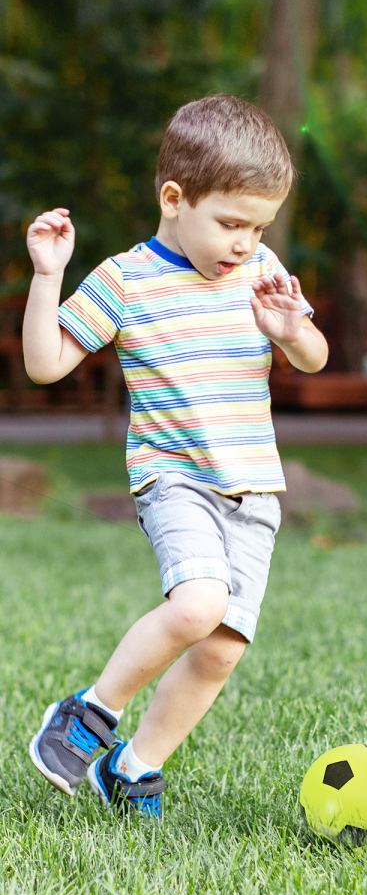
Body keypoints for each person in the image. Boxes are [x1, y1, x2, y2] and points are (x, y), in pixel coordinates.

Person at [24, 94, 328, 818]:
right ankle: (87, 714)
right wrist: (46, 274)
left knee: (221, 647)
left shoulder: (261, 272)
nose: (245, 243)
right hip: (174, 480)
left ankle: (132, 770)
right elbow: (44, 363)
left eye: (259, 227)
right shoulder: (127, 280)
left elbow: (313, 358)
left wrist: (290, 331)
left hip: (254, 491)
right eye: (231, 223)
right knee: (197, 604)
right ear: (174, 198)